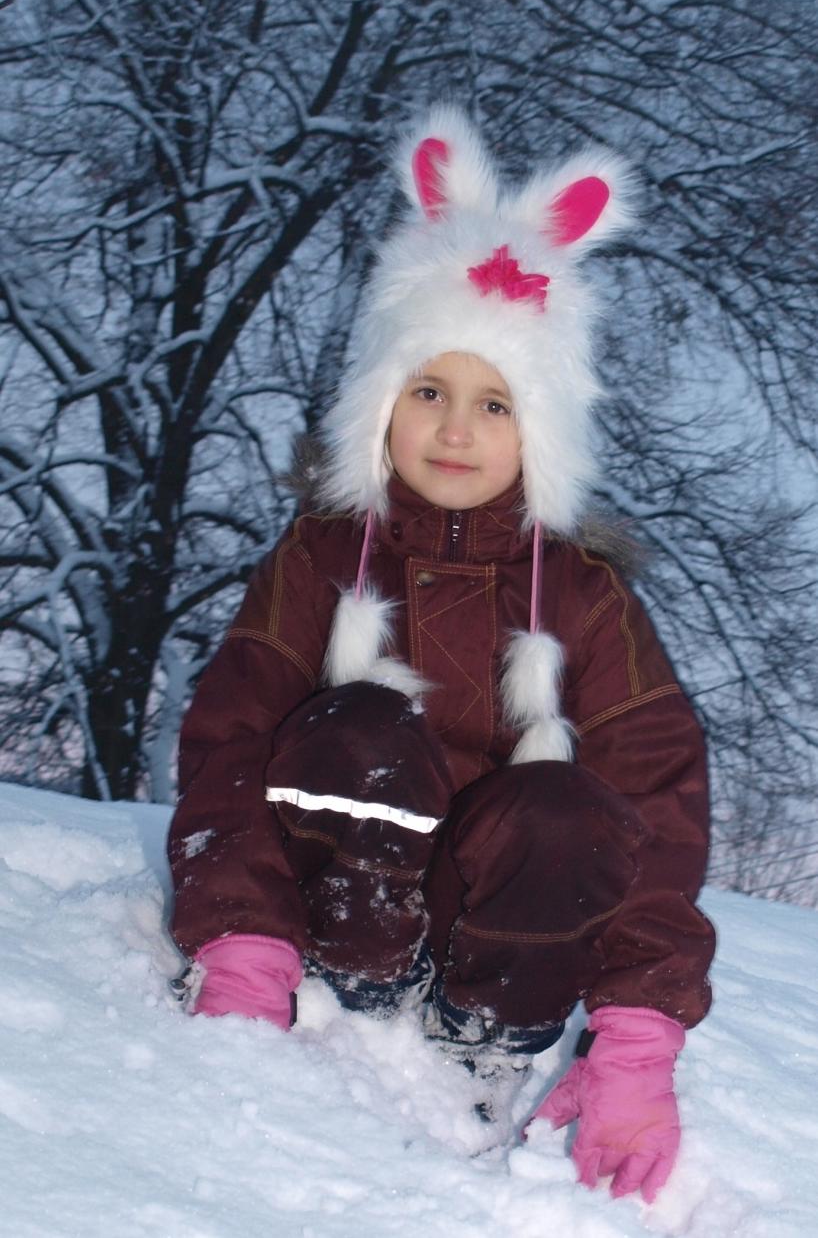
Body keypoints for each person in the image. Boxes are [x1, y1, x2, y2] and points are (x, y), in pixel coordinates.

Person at [167, 106, 716, 1203]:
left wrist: (637, 1047)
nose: (454, 430)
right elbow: (228, 741)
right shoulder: (321, 558)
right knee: (355, 726)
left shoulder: (584, 597)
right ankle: (332, 963)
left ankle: (488, 1024)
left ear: (540, 430)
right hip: (339, 913)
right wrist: (237, 938)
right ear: (380, 402)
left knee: (568, 802)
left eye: (493, 403)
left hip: (501, 930)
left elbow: (656, 802)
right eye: (428, 391)